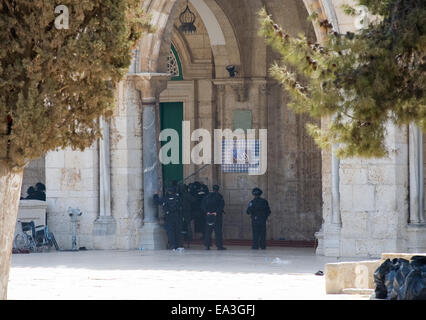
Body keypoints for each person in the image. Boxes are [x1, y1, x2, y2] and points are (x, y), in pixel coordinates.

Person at [202, 185, 226, 250]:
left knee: (208, 231)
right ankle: (219, 246)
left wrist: (207, 212)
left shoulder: (207, 196)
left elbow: (203, 205)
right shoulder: (220, 196)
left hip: (209, 216)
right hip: (217, 216)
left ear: (212, 189)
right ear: (218, 189)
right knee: (218, 232)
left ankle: (207, 245)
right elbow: (222, 206)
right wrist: (216, 212)